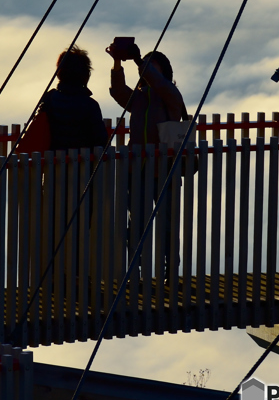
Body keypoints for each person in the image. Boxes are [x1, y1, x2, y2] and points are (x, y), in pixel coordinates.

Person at [109, 42, 188, 281]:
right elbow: (119, 91)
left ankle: (170, 270)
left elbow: (160, 85)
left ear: (163, 71)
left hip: (165, 169)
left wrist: (138, 61)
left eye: (153, 66)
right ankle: (137, 269)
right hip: (139, 170)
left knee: (167, 225)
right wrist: (117, 63)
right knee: (137, 225)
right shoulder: (140, 97)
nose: (146, 71)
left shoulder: (170, 94)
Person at [38, 46, 107, 151]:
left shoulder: (49, 98)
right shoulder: (90, 105)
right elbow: (100, 140)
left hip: (51, 162)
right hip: (82, 163)